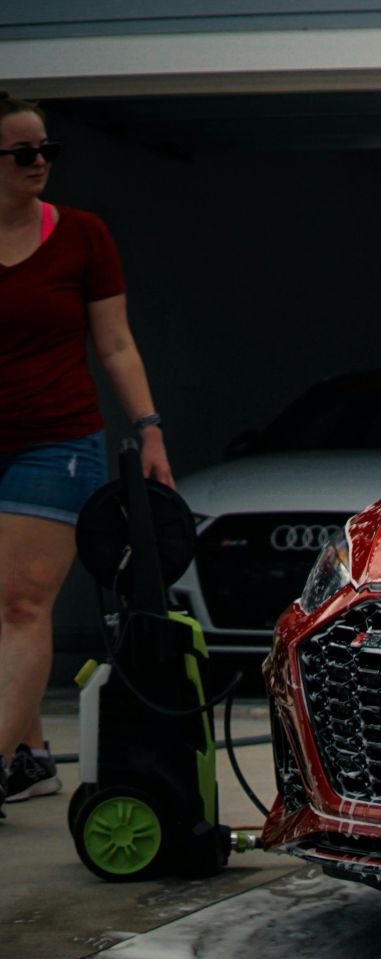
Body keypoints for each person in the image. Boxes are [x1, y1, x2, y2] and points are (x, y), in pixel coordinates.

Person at [0, 91, 173, 816]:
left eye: (47, 150)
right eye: (24, 152)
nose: (41, 163)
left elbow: (115, 343)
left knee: (20, 603)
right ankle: (32, 756)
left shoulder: (82, 236)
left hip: (55, 443)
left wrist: (150, 427)